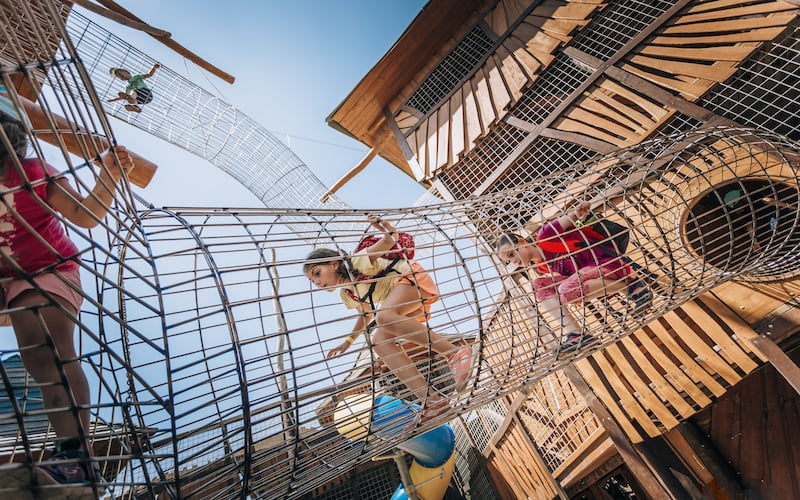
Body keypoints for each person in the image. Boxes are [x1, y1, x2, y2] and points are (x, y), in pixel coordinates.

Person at [0, 91, 134, 489]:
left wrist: (108, 173)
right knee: (34, 352)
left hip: (49, 269)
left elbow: (87, 214)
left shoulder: (33, 172)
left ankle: (75, 454)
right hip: (6, 278)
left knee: (46, 353)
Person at [304, 215, 473, 428]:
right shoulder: (348, 294)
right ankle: (432, 401)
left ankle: (455, 353)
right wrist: (347, 341)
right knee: (379, 341)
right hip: (398, 307)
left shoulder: (359, 261)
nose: (317, 282)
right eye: (312, 280)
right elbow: (365, 314)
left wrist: (383, 227)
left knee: (383, 317)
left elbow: (390, 239)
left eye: (317, 273)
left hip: (411, 280)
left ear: (335, 263)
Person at [495, 201, 649, 355]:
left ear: (522, 242)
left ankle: (630, 285)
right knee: (538, 285)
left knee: (566, 289)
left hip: (607, 263)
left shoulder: (545, 236)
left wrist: (578, 212)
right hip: (591, 274)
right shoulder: (542, 267)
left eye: (511, 254)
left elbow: (573, 217)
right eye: (509, 260)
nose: (514, 261)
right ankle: (577, 335)